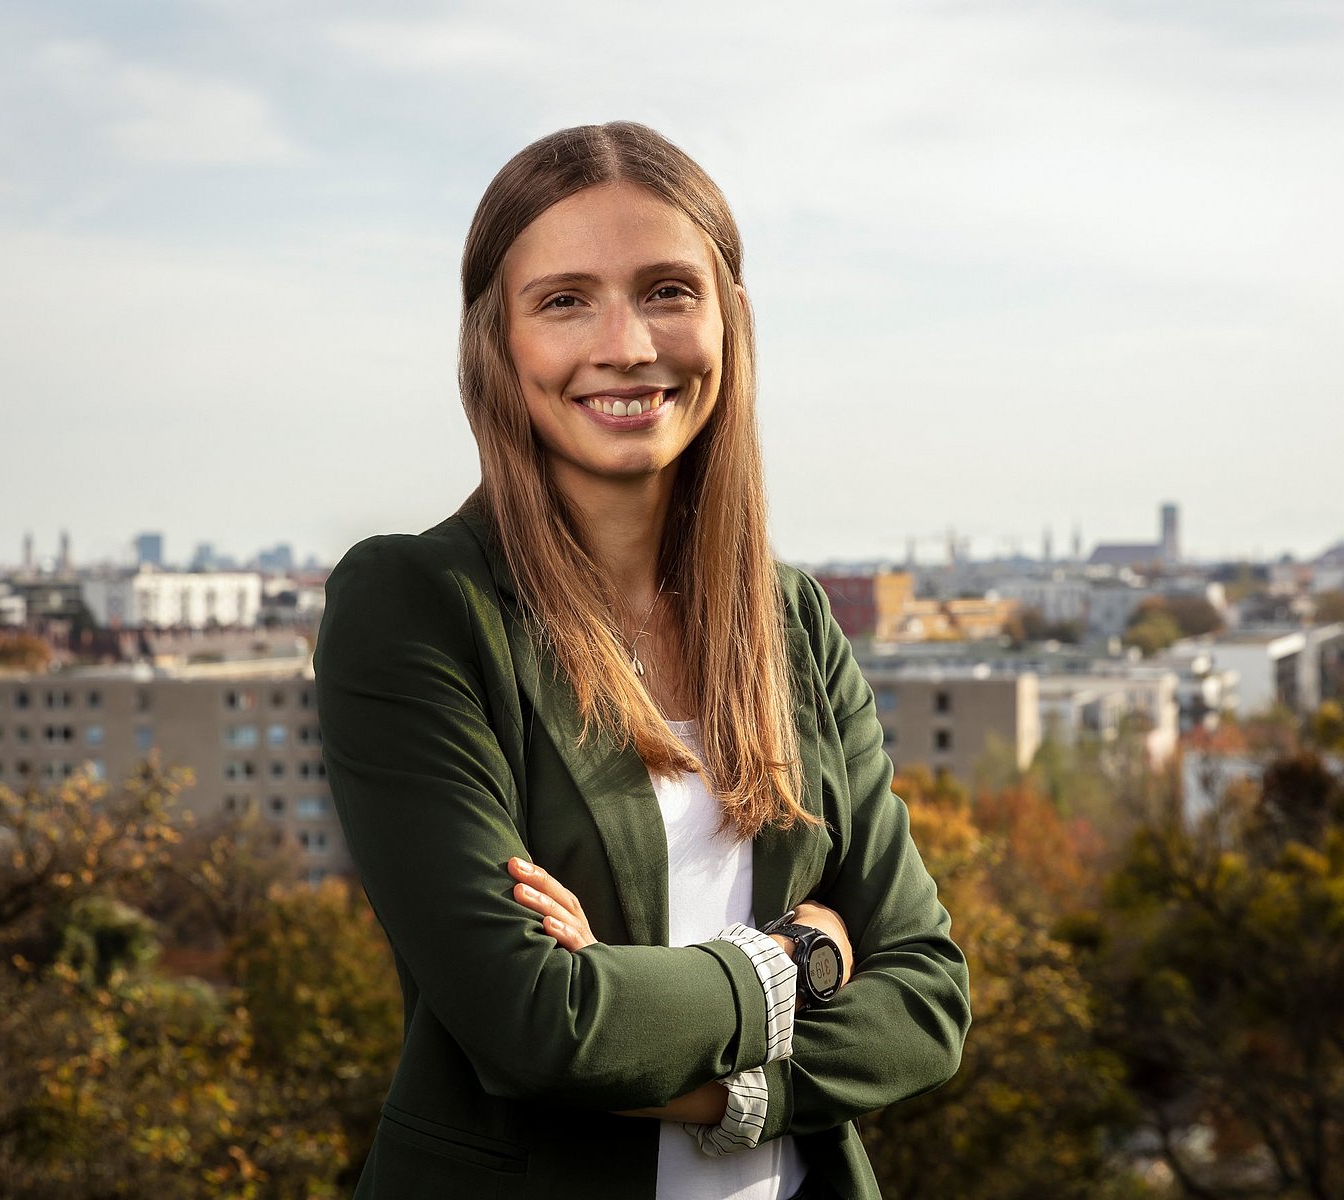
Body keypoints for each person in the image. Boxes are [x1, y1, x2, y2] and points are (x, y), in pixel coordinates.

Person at [315, 121, 969, 1200]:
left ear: (729, 323)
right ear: (495, 341)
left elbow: (929, 1001)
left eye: (668, 290)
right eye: (565, 299)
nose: (625, 344)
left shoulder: (788, 620)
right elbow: (538, 1026)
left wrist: (709, 1085)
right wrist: (799, 959)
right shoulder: (419, 607)